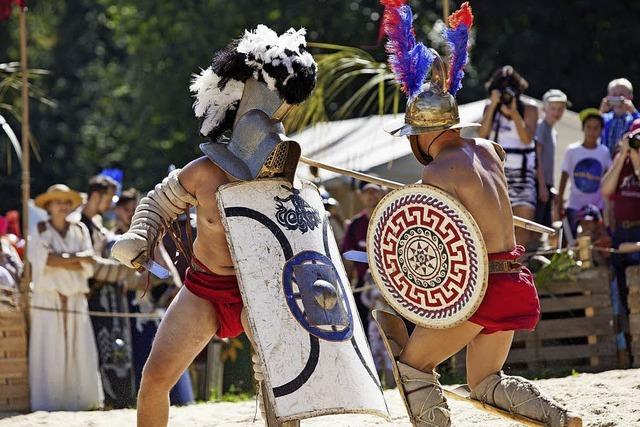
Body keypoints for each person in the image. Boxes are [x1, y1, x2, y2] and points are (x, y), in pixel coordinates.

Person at [378, 3, 581, 426]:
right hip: (514, 280)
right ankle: (559, 419)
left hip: (479, 289)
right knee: (485, 381)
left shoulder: (435, 171)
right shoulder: (490, 150)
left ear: (424, 133)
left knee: (413, 368)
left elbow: (429, 243)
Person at [111, 25, 317, 426]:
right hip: (205, 288)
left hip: (265, 291)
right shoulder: (204, 173)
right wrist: (140, 235)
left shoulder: (292, 183)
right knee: (155, 380)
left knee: (281, 385)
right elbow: (158, 203)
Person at [113, 188, 195, 405]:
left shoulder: (151, 238)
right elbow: (115, 275)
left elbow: (168, 275)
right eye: (125, 209)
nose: (129, 214)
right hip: (123, 306)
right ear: (117, 211)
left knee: (156, 353)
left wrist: (147, 270)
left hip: (148, 306)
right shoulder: (112, 238)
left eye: (133, 209)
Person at [28, 184, 104, 411]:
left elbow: (89, 262)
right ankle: (49, 403)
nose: (62, 206)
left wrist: (63, 258)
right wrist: (75, 259)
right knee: (50, 352)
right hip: (48, 299)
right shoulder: (40, 229)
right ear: (48, 206)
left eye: (65, 201)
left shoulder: (80, 229)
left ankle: (81, 402)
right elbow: (45, 261)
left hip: (75, 297)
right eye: (57, 201)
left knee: (79, 352)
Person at [82, 174, 137, 408]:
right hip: (95, 299)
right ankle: (109, 398)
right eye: (108, 198)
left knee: (118, 349)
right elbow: (89, 265)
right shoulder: (81, 224)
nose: (111, 203)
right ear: (97, 195)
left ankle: (120, 398)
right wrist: (124, 270)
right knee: (103, 348)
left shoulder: (96, 225)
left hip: (113, 297)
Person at [478, 65, 539, 247]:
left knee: (523, 225)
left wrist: (513, 113)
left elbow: (527, 139)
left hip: (522, 175)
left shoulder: (529, 108)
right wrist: (493, 105)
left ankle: (518, 266)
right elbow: (482, 134)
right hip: (497, 174)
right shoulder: (491, 108)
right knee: (496, 225)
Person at [601, 119, 640, 354]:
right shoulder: (621, 161)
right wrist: (624, 154)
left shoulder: (635, 162)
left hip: (638, 229)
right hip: (621, 232)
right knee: (621, 286)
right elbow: (606, 189)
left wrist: (637, 162)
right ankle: (627, 341)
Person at [557, 109, 611, 239]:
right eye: (589, 127)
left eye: (596, 128)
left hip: (596, 208)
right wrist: (559, 204)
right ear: (583, 128)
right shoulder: (572, 151)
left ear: (601, 130)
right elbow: (564, 177)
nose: (592, 132)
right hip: (574, 206)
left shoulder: (604, 152)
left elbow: (607, 179)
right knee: (571, 241)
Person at [341, 179, 385, 331]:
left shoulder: (391, 219)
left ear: (383, 192)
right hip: (363, 286)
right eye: (367, 192)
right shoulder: (355, 225)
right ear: (361, 196)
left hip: (390, 284)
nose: (371, 195)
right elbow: (347, 255)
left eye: (374, 191)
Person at [535, 89, 569, 227]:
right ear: (544, 108)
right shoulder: (541, 127)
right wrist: (542, 186)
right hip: (538, 184)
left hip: (546, 185)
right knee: (537, 226)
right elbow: (536, 156)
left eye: (560, 109)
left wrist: (551, 187)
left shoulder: (553, 131)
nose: (557, 112)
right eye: (553, 108)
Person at [599, 78, 640, 157]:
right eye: (614, 95)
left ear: (630, 97)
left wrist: (633, 111)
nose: (617, 99)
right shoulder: (604, 118)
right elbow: (592, 130)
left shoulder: (634, 119)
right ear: (608, 96)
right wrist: (601, 111)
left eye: (621, 95)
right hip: (604, 163)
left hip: (626, 164)